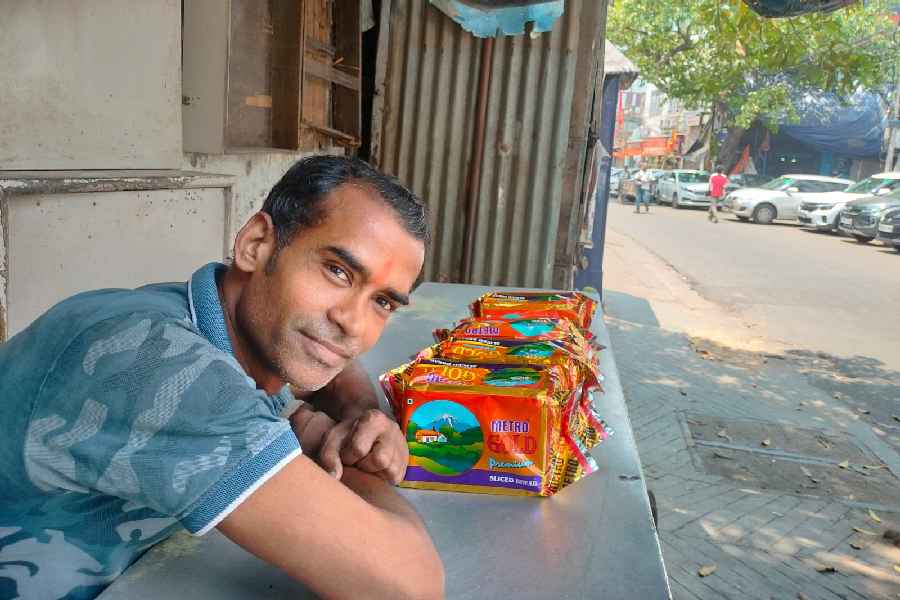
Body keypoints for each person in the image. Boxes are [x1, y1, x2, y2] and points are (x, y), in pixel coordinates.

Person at [0, 156, 445, 600]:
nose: (352, 322)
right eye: (337, 271)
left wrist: (359, 412)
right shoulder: (163, 366)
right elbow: (407, 587)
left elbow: (335, 363)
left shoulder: (230, 324)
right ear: (256, 244)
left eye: (382, 302)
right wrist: (349, 456)